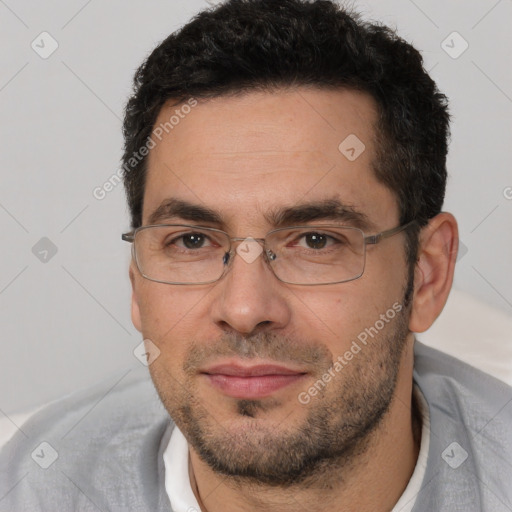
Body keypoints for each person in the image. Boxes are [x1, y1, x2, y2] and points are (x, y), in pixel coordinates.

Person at [1, 0, 511, 510]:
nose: (244, 310)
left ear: (426, 275)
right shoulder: (35, 484)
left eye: (315, 241)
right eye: (192, 241)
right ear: (137, 280)